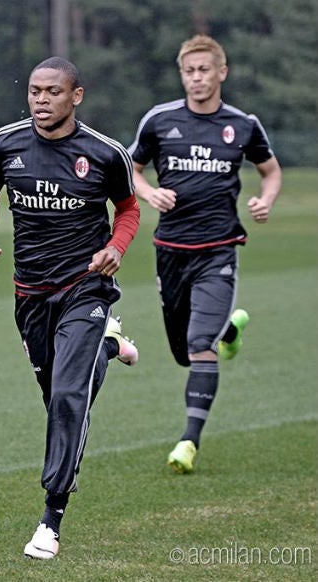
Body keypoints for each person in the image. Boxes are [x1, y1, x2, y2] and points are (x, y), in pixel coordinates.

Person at [0, 57, 141, 560]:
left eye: (52, 92)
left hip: (85, 287)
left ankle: (51, 518)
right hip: (30, 293)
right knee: (57, 398)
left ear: (76, 96)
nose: (41, 100)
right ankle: (107, 347)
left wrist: (116, 247)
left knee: (68, 397)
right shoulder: (4, 144)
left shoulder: (105, 154)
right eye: (34, 91)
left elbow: (128, 209)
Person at [127, 35, 282, 474]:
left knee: (198, 347)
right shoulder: (159, 121)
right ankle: (228, 334)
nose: (197, 78)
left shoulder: (244, 124)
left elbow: (269, 171)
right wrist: (149, 192)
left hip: (219, 248)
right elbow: (132, 170)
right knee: (183, 352)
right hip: (170, 250)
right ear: (183, 75)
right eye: (189, 71)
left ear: (221, 73)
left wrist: (265, 199)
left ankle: (188, 442)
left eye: (204, 70)